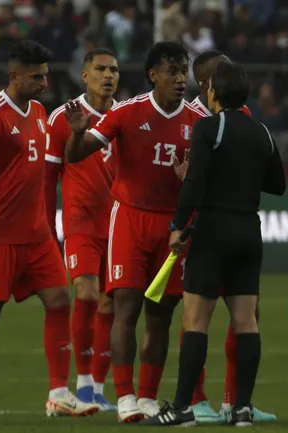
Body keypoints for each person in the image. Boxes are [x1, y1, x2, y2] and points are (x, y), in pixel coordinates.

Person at [63, 41, 205, 423]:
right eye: (172, 71)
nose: (180, 78)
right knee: (126, 305)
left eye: (184, 70)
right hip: (128, 219)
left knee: (161, 315)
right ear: (153, 75)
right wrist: (77, 133)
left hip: (173, 228)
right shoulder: (127, 113)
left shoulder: (197, 121)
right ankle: (123, 395)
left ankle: (147, 397)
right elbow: (77, 154)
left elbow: (205, 180)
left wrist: (191, 183)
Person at [140, 61, 286, 427]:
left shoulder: (209, 126)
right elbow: (279, 184)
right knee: (246, 322)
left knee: (195, 321)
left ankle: (182, 408)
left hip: (212, 230)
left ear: (213, 93)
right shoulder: (261, 132)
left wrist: (177, 225)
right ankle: (242, 408)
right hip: (249, 231)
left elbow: (194, 182)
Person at [0, 40, 99, 419]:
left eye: (46, 74)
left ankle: (58, 394)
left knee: (59, 301)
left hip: (37, 236)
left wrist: (77, 133)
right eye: (37, 76)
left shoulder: (39, 111)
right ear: (14, 75)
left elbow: (65, 157)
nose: (44, 81)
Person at [183, 49, 276, 424]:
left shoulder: (240, 116)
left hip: (226, 224)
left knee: (244, 313)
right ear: (209, 82)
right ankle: (197, 399)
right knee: (194, 315)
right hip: (201, 225)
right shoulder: (191, 117)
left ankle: (234, 401)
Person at [44, 47, 120, 411]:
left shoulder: (127, 115)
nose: (108, 75)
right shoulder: (62, 118)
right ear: (84, 75)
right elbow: (47, 178)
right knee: (86, 293)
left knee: (112, 302)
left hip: (120, 224)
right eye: (100, 69)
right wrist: (46, 225)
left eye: (114, 70)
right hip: (80, 220)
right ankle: (84, 382)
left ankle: (100, 389)